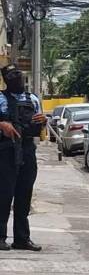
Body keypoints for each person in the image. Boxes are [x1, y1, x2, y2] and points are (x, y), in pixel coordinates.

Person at [0, 64, 46, 251]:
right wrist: (2, 124)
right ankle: (1, 237)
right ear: (6, 80)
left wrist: (43, 122)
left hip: (27, 150)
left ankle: (21, 238)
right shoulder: (1, 98)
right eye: (12, 77)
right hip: (6, 150)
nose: (17, 80)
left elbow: (39, 123)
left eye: (18, 76)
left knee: (24, 195)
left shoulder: (32, 98)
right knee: (4, 195)